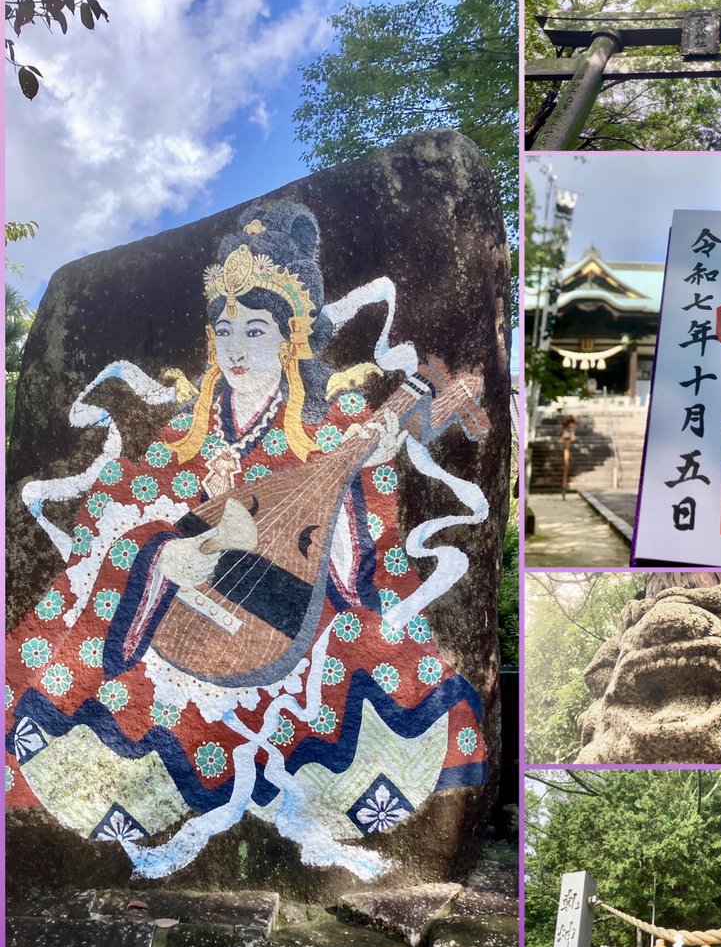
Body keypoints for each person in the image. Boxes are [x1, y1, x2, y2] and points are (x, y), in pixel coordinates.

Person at [6, 201, 489, 879]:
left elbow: (357, 553)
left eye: (255, 331)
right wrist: (167, 550)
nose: (235, 350)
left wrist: (363, 462)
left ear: (292, 339)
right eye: (224, 330)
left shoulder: (332, 425)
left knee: (380, 722)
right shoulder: (182, 432)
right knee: (80, 720)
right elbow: (116, 514)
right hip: (174, 621)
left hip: (292, 621)